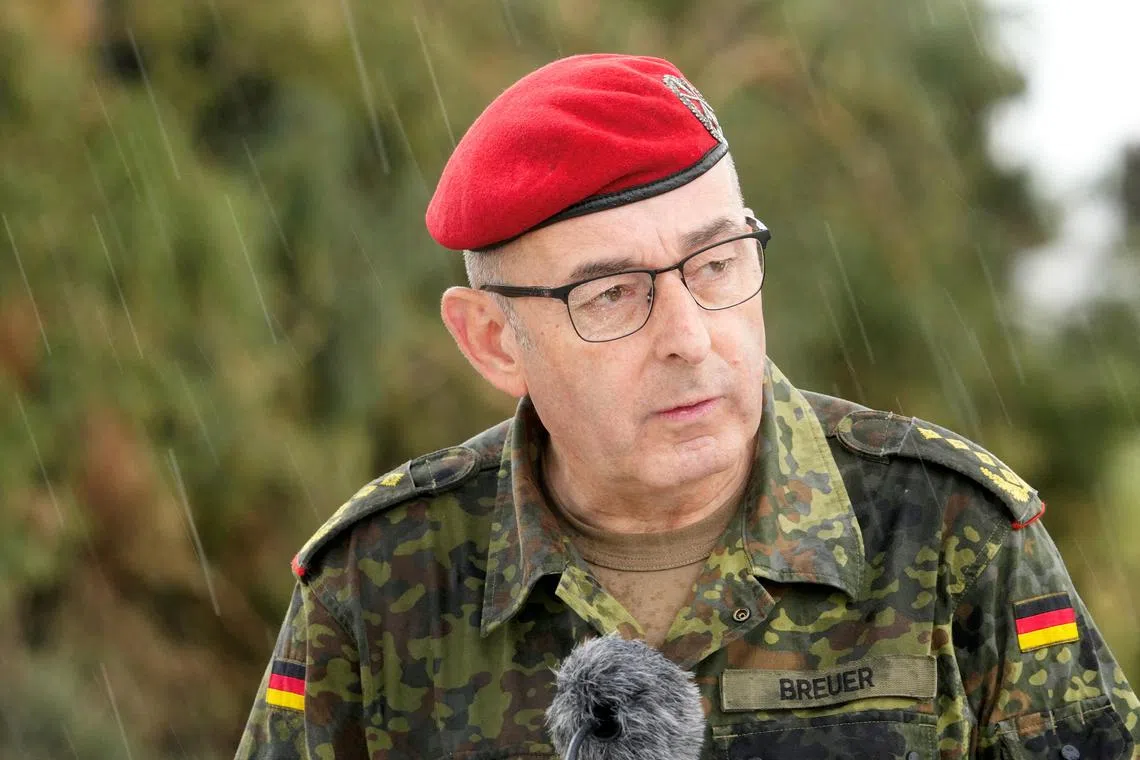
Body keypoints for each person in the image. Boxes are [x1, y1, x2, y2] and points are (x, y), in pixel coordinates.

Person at [235, 54, 1139, 759]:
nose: (691, 337)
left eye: (716, 265)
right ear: (493, 341)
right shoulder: (378, 583)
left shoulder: (948, 533)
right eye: (614, 294)